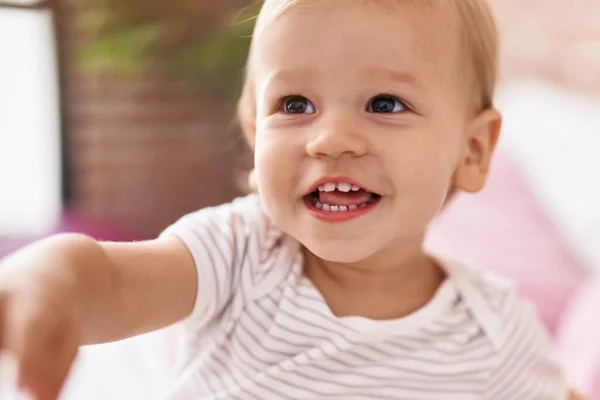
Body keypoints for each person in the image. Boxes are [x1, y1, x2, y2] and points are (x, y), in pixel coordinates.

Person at [0, 0, 583, 399]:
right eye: (295, 105)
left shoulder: (494, 327)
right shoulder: (238, 255)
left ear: (474, 151)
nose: (329, 139)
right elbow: (113, 280)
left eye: (384, 104)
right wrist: (51, 284)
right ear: (256, 135)